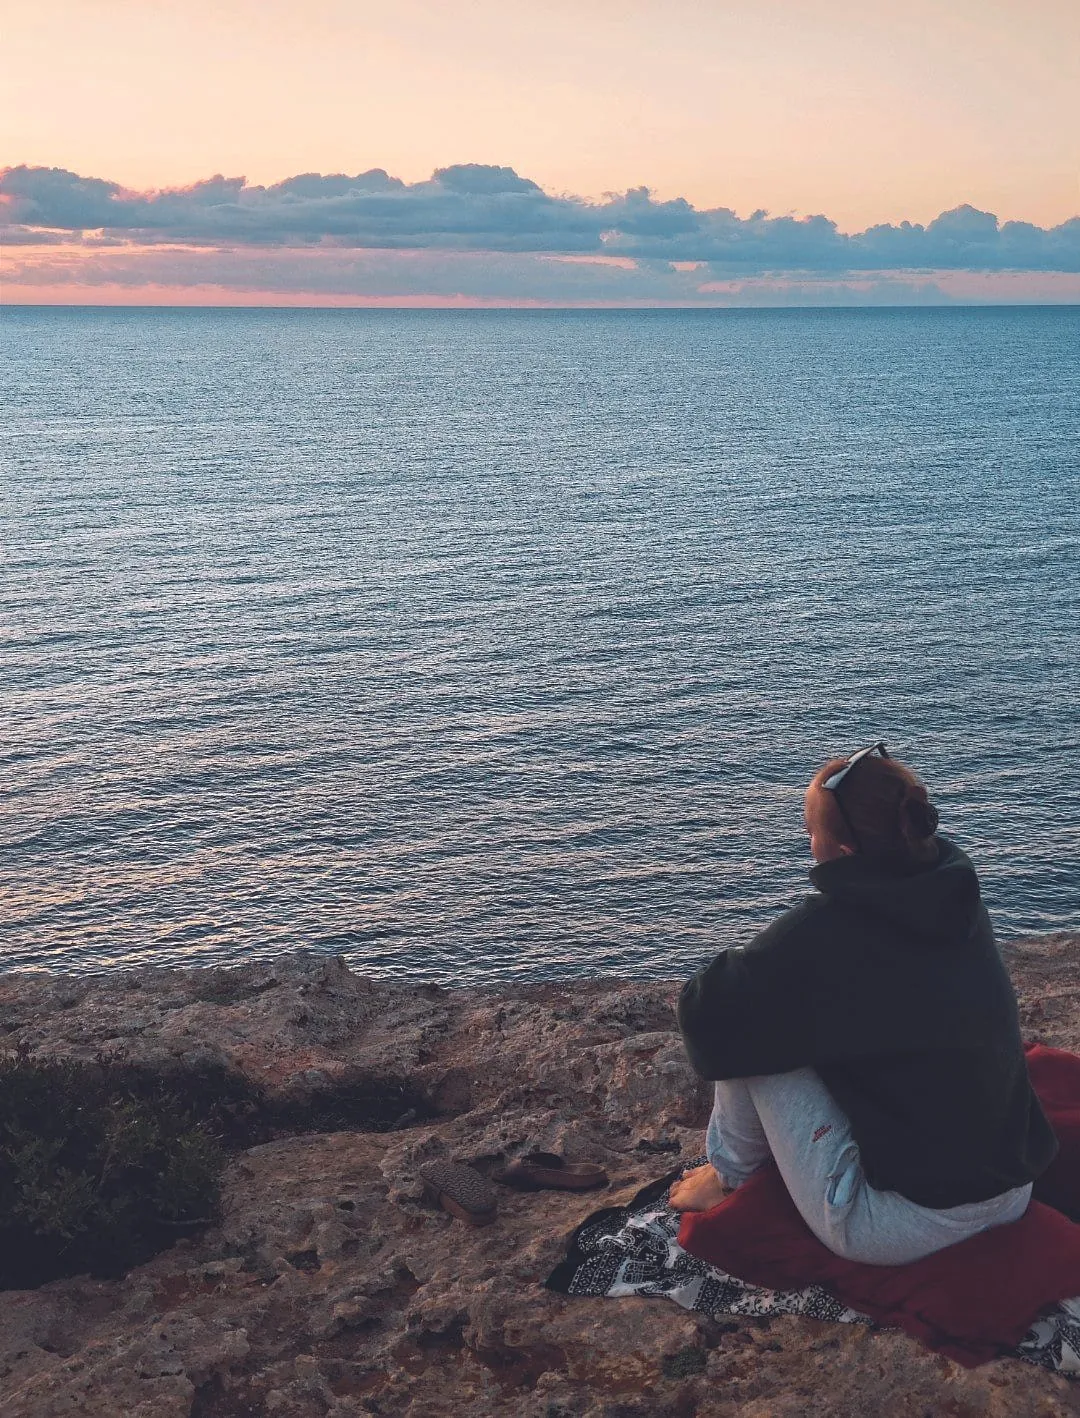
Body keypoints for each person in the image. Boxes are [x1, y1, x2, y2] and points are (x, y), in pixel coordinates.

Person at [672, 743, 1058, 1265]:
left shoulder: (826, 928)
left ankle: (729, 1180)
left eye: (811, 832)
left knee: (743, 1024)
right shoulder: (956, 898)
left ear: (843, 852)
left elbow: (706, 1008)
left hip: (901, 1226)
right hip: (1012, 1192)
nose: (809, 842)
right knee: (772, 1014)